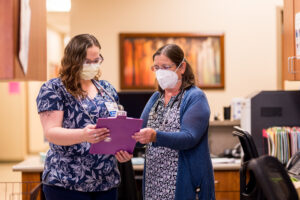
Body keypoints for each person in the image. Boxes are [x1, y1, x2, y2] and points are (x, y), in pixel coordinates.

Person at [36, 34, 132, 200]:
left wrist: (122, 149)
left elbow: (116, 129)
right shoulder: (54, 89)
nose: (94, 65)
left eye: (97, 60)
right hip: (67, 182)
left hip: (106, 181)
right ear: (74, 60)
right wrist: (83, 135)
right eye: (88, 61)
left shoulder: (106, 89)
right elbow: (51, 132)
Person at [132, 44, 215, 200]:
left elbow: (189, 137)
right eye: (156, 67)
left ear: (181, 67)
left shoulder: (194, 97)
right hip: (154, 182)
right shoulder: (156, 98)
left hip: (182, 183)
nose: (160, 72)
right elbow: (138, 132)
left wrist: (155, 136)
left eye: (166, 67)